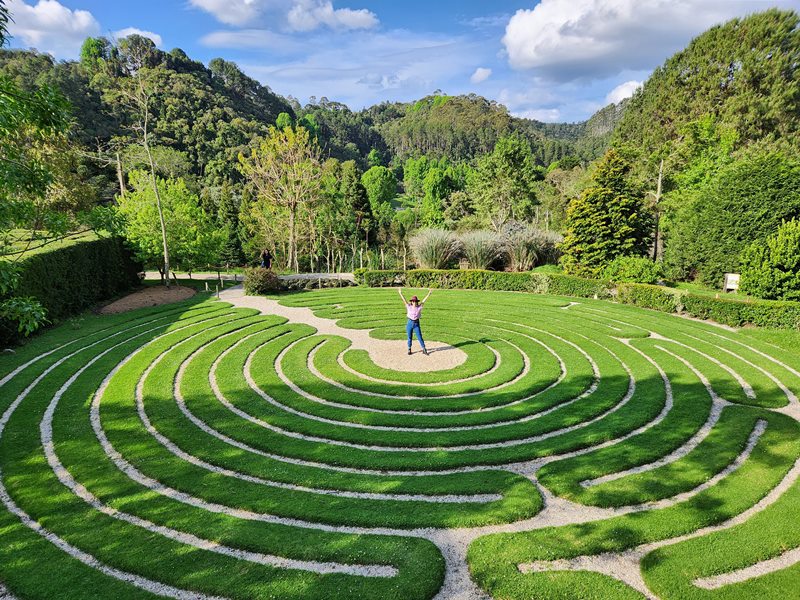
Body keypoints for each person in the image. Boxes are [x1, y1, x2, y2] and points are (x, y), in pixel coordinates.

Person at [398, 287, 432, 356]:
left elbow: (424, 301)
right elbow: (404, 300)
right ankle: (409, 349)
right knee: (409, 337)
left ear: (417, 302)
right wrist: (400, 293)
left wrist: (429, 294)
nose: (414, 302)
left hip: (416, 323)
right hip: (409, 323)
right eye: (413, 301)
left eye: (415, 301)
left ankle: (424, 349)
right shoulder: (408, 306)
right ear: (411, 302)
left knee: (419, 337)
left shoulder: (419, 307)